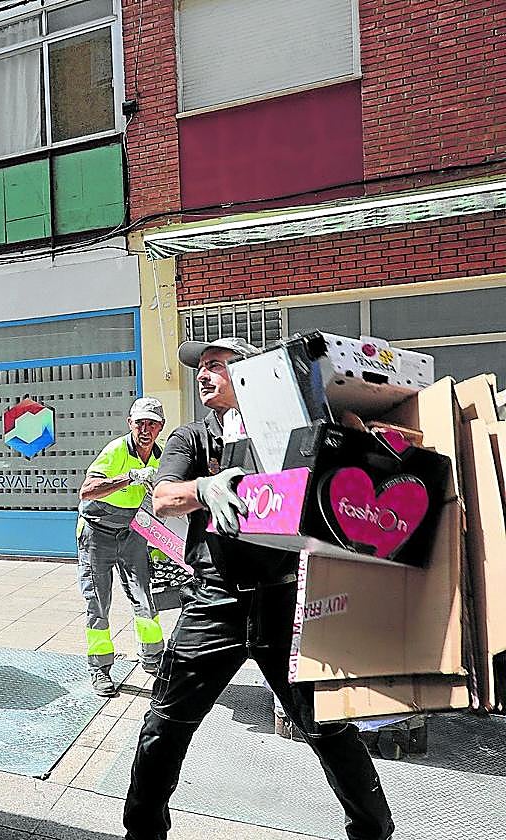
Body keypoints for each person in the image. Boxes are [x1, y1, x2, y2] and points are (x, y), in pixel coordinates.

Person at [122, 337, 394, 840]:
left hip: (285, 600)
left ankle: (374, 831)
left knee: (327, 728)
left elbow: (350, 457)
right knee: (164, 725)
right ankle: (142, 832)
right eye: (201, 368)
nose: (204, 375)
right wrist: (203, 488)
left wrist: (362, 428)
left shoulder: (293, 427)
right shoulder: (191, 438)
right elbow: (162, 496)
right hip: (213, 602)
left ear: (251, 375)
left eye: (218, 367)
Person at [77, 396, 167, 698]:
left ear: (160, 428)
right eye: (139, 422)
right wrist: (129, 478)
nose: (145, 429)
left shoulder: (161, 456)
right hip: (97, 532)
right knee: (98, 604)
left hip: (132, 532)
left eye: (151, 424)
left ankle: (154, 662)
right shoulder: (116, 450)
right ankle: (100, 669)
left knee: (144, 599)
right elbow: (87, 491)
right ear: (130, 424)